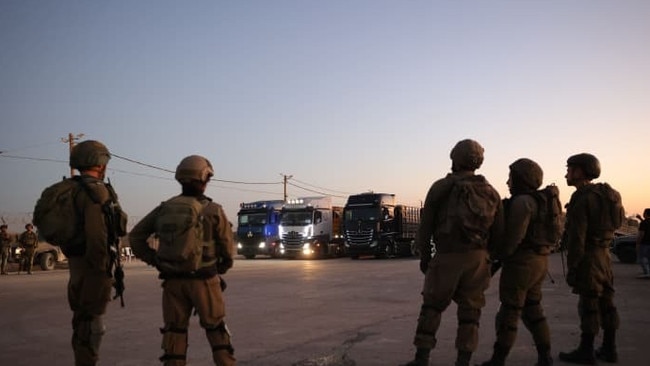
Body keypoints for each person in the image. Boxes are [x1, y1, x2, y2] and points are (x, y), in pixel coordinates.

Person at [402, 139, 504, 366]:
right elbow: (499, 233)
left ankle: (422, 359)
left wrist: (425, 257)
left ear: (455, 158)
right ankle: (463, 361)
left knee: (431, 308)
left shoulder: (441, 187)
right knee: (470, 314)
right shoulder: (491, 192)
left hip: (447, 256)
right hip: (478, 259)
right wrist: (490, 261)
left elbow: (425, 226)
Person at [129, 155, 237, 366]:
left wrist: (156, 260)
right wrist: (219, 269)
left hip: (172, 283)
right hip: (205, 280)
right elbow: (227, 250)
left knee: (175, 334)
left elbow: (135, 237)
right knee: (216, 331)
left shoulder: (165, 208)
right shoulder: (214, 210)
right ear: (205, 178)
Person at [478, 159, 554, 366]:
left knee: (509, 312)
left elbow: (513, 239)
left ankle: (498, 359)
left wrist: (495, 259)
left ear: (522, 179)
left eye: (511, 178)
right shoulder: (540, 201)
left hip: (521, 264)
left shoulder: (522, 203)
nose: (508, 182)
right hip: (539, 261)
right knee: (533, 309)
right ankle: (545, 356)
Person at [64, 140, 126, 366]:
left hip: (76, 264)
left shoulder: (70, 189)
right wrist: (102, 270)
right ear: (100, 163)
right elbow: (96, 233)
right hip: (93, 267)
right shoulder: (97, 192)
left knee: (82, 322)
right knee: (93, 327)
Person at [559, 153, 623, 364]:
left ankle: (586, 351)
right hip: (604, 255)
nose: (567, 173)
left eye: (570, 169)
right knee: (607, 302)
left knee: (589, 304)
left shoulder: (583, 197)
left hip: (589, 257)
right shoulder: (610, 195)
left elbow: (577, 238)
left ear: (580, 171)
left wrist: (574, 268)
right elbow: (617, 223)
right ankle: (609, 349)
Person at [636, 208, 650, 279]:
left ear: (646, 214)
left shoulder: (643, 223)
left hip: (644, 243)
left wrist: (638, 243)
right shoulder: (644, 222)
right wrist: (640, 218)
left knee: (641, 258)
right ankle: (648, 272)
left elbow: (642, 234)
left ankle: (647, 272)